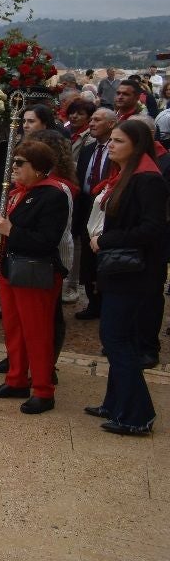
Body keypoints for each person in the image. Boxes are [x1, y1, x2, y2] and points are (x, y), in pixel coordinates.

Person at [85, 120, 169, 435]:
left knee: (116, 338)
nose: (111, 145)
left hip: (134, 272)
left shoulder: (148, 180)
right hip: (121, 270)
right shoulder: (127, 175)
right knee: (119, 338)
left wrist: (105, 240)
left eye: (118, 141)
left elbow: (152, 229)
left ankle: (137, 414)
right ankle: (116, 402)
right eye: (111, 140)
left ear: (136, 146)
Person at [0, 140, 69, 415]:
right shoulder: (12, 193)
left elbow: (46, 240)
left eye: (20, 163)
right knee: (14, 328)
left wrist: (11, 231)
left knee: (37, 332)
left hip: (35, 272)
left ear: (39, 168)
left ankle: (43, 391)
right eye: (13, 161)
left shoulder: (53, 195)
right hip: (9, 269)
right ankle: (16, 379)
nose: (14, 167)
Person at [73, 107, 118, 319]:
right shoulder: (88, 150)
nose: (91, 123)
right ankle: (93, 301)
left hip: (107, 209)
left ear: (111, 124)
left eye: (97, 120)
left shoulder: (116, 151)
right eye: (91, 119)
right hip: (86, 207)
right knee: (88, 259)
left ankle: (106, 300)